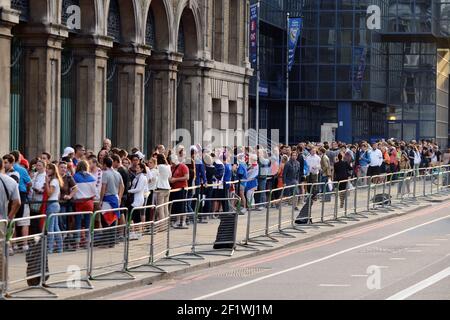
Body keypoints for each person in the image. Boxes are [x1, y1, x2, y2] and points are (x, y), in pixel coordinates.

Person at [99, 157, 124, 247]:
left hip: (107, 199)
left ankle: (107, 241)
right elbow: (122, 186)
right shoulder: (117, 173)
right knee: (113, 220)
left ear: (105, 164)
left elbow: (103, 187)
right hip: (115, 198)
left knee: (105, 220)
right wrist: (119, 197)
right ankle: (112, 241)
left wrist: (101, 200)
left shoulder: (105, 173)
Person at [72, 160, 96, 249]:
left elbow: (73, 190)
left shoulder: (75, 177)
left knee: (78, 223)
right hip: (89, 202)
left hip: (79, 202)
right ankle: (87, 243)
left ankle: (77, 243)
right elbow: (95, 192)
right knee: (88, 223)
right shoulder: (92, 177)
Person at [9, 151, 32, 242]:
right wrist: (28, 189)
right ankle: (25, 245)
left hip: (10, 196)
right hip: (22, 195)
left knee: (12, 221)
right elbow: (29, 183)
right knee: (24, 221)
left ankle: (13, 244)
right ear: (19, 158)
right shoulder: (22, 170)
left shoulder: (6, 169)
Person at [45, 163, 64, 254]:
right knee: (55, 227)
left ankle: (50, 248)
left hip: (52, 204)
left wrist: (46, 183)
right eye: (47, 168)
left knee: (50, 227)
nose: (47, 170)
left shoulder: (53, 181)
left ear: (53, 170)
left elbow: (49, 193)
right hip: (55, 203)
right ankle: (59, 247)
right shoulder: (56, 180)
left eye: (49, 169)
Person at [128, 163, 148, 239]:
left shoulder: (142, 177)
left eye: (138, 168)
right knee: (135, 217)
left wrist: (128, 191)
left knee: (133, 216)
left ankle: (136, 233)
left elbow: (138, 189)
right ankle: (135, 233)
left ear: (142, 169)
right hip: (136, 198)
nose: (136, 169)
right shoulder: (138, 176)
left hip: (138, 199)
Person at [169, 154, 190, 229]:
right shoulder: (171, 167)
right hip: (174, 189)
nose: (172, 163)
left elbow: (187, 177)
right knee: (176, 205)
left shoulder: (183, 166)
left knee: (182, 205)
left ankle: (183, 221)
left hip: (182, 188)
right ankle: (178, 221)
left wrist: (175, 179)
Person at [155, 154, 172, 222]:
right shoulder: (168, 166)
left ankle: (162, 225)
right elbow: (169, 176)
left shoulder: (158, 167)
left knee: (160, 208)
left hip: (160, 187)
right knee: (165, 207)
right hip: (167, 187)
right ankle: (166, 223)